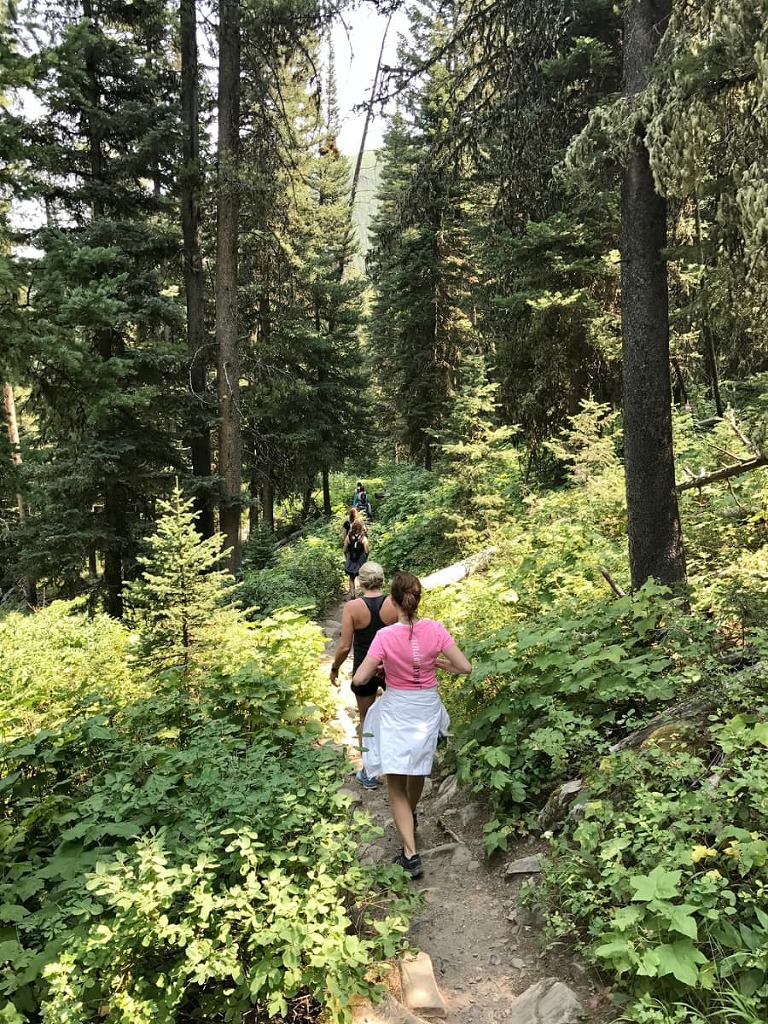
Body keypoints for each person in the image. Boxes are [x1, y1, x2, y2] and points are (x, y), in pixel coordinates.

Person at [352, 571, 472, 880]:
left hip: (398, 709)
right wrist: (439, 663)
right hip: (426, 707)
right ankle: (411, 817)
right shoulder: (435, 629)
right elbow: (465, 667)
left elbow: (359, 680)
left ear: (392, 601)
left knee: (395, 782)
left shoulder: (385, 636)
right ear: (418, 600)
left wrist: (381, 667)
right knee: (417, 768)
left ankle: (410, 854)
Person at [329, 561, 397, 790]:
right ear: (382, 579)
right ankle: (398, 766)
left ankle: (368, 773)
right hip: (391, 669)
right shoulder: (393, 603)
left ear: (361, 581)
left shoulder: (353, 607)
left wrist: (334, 668)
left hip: (364, 671)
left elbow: (344, 646)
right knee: (395, 718)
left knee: (366, 720)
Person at [343, 518, 369, 597]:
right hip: (360, 559)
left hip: (351, 558)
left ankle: (352, 595)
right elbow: (366, 550)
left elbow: (344, 549)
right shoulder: (364, 538)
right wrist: (365, 558)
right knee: (362, 577)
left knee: (351, 578)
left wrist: (347, 557)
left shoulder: (349, 537)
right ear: (361, 527)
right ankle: (364, 593)